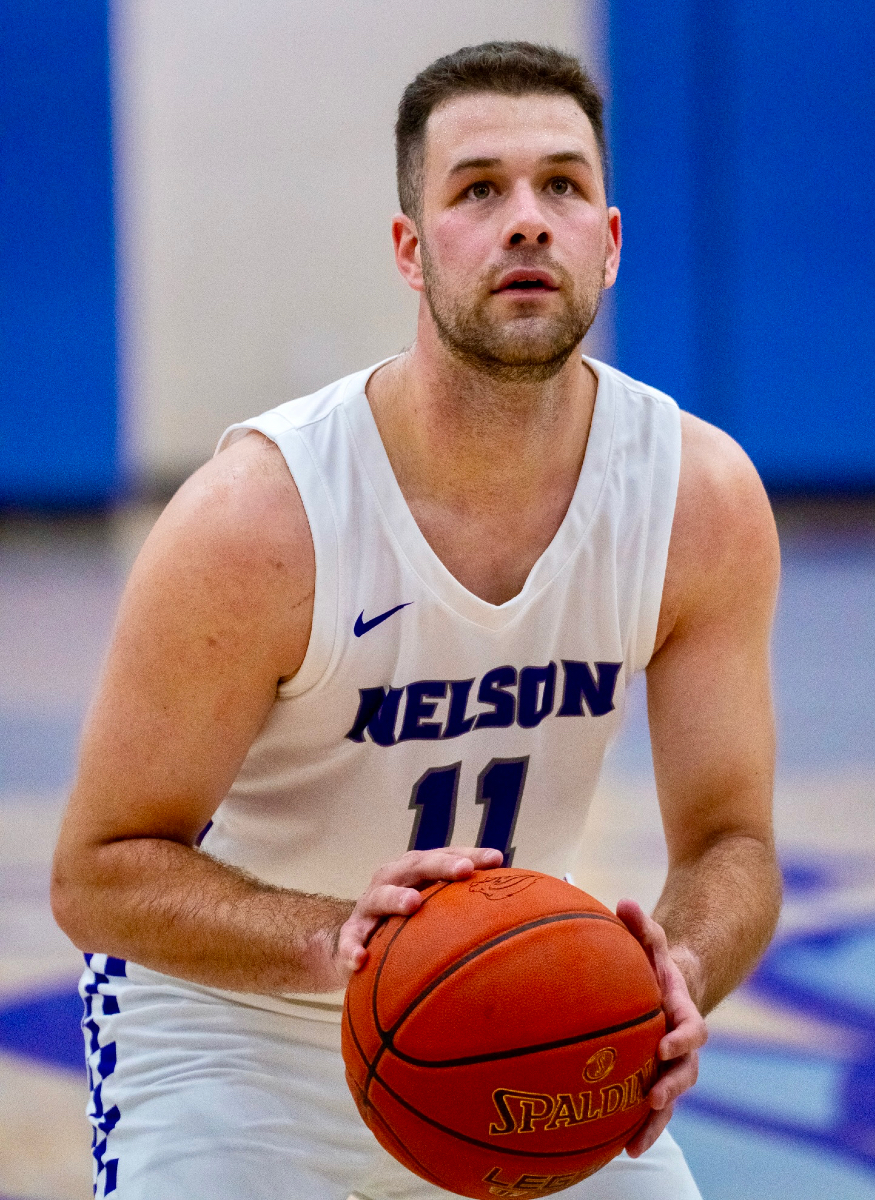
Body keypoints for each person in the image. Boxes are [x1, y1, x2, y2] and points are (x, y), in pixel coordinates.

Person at [51, 41, 781, 1200]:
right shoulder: (262, 518)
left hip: (509, 1013)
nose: (528, 221)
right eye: (478, 189)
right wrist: (341, 941)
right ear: (410, 248)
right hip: (228, 1032)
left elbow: (733, 841)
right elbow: (95, 876)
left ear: (612, 239)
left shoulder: (699, 500)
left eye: (564, 186)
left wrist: (677, 970)